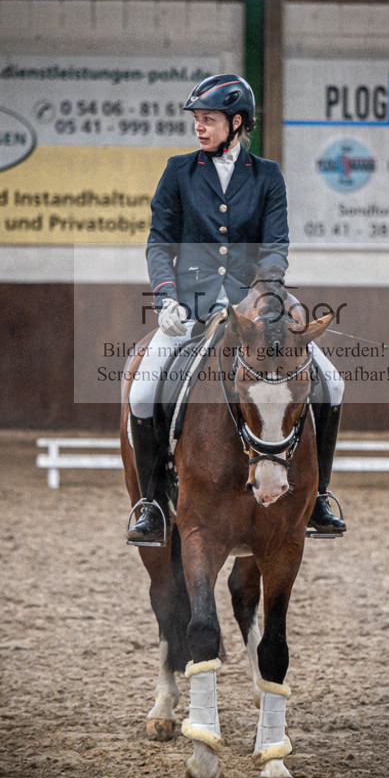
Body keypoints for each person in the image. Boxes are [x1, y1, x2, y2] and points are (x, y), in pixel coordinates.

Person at [126, 73, 346, 543]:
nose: (199, 128)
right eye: (197, 120)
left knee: (333, 382)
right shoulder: (178, 171)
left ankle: (320, 497)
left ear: (237, 122)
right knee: (143, 393)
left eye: (208, 120)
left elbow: (275, 246)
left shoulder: (266, 175)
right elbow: (160, 242)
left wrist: (264, 295)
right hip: (191, 305)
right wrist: (166, 296)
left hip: (259, 301)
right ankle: (151, 503)